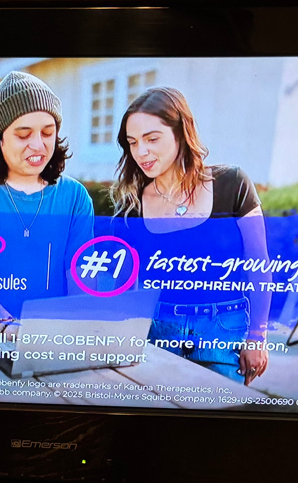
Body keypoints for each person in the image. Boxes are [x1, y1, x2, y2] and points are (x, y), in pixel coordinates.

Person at [115, 86, 271, 385]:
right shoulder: (130, 207)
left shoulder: (232, 184)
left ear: (181, 132)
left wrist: (257, 336)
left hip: (224, 331)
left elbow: (259, 266)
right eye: (133, 142)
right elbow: (126, 284)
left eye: (152, 139)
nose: (141, 152)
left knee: (220, 413)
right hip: (157, 330)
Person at [0, 71, 95, 331]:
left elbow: (81, 279)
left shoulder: (75, 197)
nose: (38, 145)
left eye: (47, 133)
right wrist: (7, 326)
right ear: (0, 140)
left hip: (56, 338)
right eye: (24, 135)